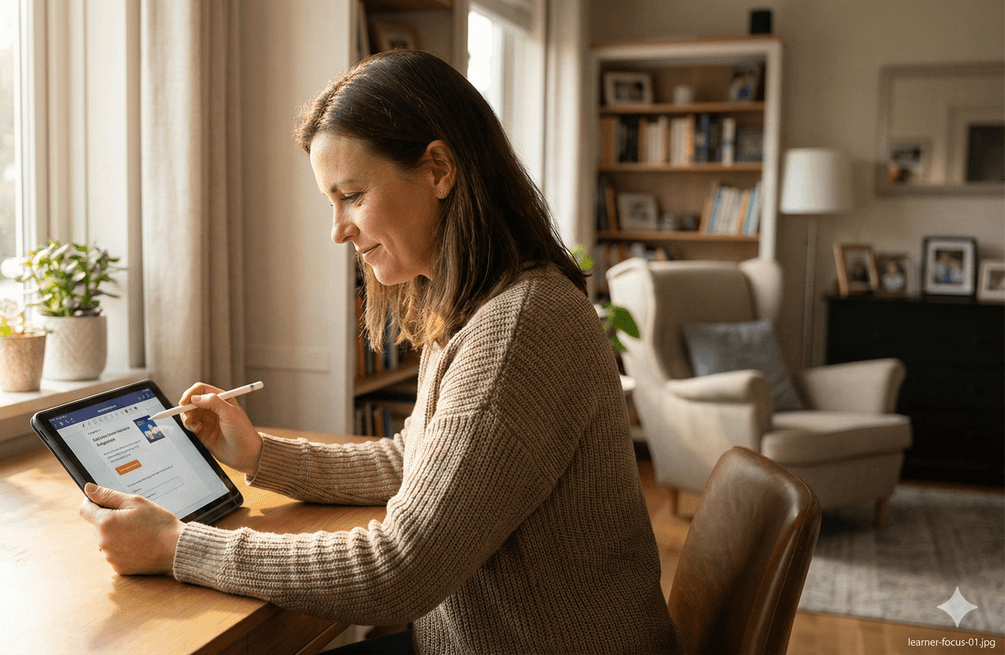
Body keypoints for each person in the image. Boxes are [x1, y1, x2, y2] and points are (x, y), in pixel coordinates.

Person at [78, 50, 683, 654]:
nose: (336, 229)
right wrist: (260, 453)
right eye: (330, 200)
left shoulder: (518, 328)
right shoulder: (481, 304)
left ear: (439, 171)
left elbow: (398, 571)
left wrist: (177, 546)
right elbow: (418, 460)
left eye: (352, 195)